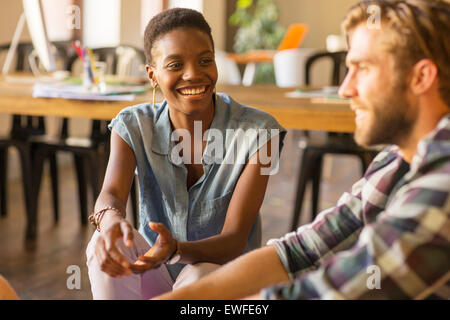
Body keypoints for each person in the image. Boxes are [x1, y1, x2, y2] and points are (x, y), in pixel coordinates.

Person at [155, 0, 450, 300]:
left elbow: (328, 293)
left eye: (362, 68)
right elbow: (299, 252)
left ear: (421, 77)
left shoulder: (443, 183)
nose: (344, 89)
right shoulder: (395, 160)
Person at [85, 8, 286, 299]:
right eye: (175, 64)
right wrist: (111, 222)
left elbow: (234, 240)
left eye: (205, 60)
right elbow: (112, 194)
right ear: (152, 75)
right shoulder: (133, 125)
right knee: (102, 242)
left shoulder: (258, 132)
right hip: (154, 269)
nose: (193, 74)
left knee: (199, 272)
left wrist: (176, 251)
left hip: (224, 281)